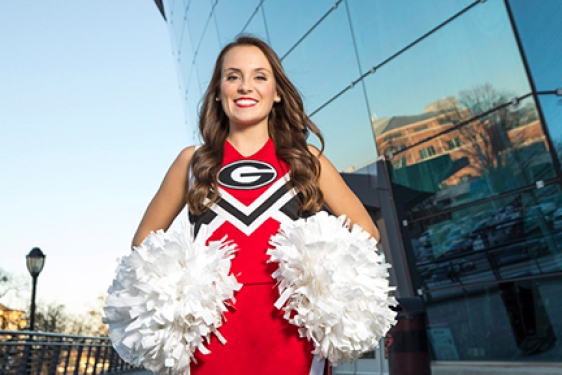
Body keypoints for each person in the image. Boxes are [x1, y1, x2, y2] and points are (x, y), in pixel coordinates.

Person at [132, 35, 380, 375]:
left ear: (277, 92)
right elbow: (144, 241)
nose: (245, 86)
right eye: (233, 76)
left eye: (259, 76)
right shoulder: (192, 163)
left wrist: (318, 273)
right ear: (218, 92)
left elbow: (367, 232)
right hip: (212, 340)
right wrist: (185, 286)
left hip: (292, 334)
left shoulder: (305, 160)